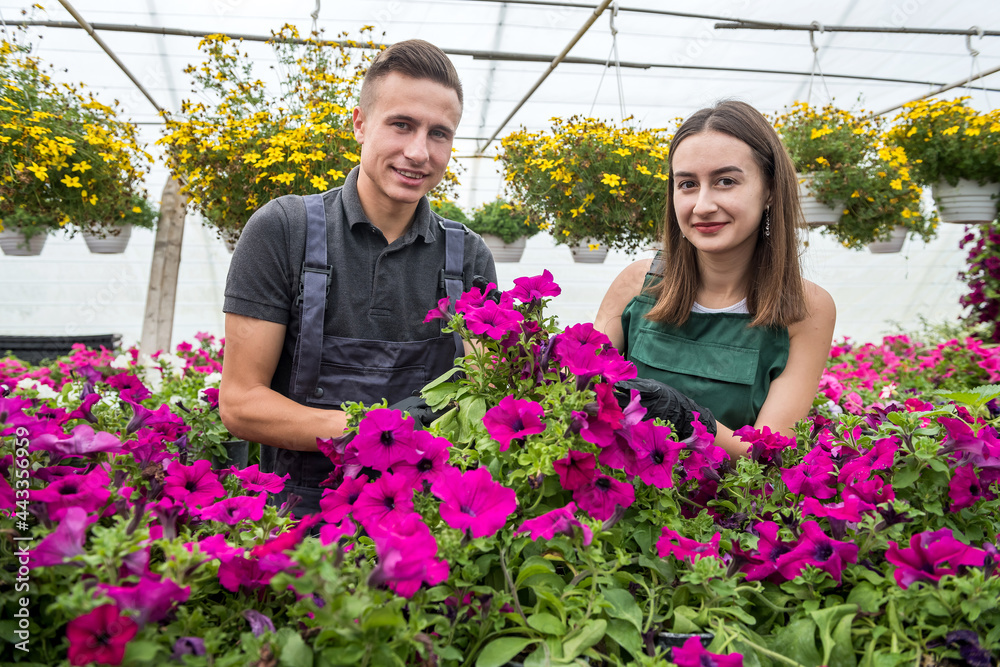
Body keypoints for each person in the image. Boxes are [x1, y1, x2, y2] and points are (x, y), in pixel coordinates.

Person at [219, 40, 497, 514]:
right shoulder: (282, 231)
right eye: (402, 125)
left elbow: (483, 394)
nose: (418, 152)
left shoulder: (468, 256)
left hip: (424, 519)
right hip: (298, 517)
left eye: (439, 134)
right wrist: (378, 431)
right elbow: (241, 403)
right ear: (360, 124)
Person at [594, 100, 836, 459]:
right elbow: (578, 387)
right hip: (627, 502)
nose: (703, 205)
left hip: (725, 510)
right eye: (688, 184)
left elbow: (767, 456)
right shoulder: (638, 283)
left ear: (769, 189)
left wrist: (687, 416)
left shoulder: (806, 309)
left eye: (725, 181)